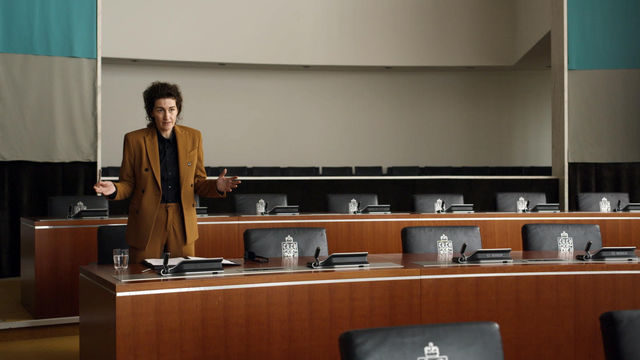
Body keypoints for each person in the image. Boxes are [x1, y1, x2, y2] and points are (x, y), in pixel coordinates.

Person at [94, 81, 240, 263]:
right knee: (142, 276)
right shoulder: (134, 140)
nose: (167, 116)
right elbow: (128, 184)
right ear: (151, 112)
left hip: (182, 218)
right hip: (148, 218)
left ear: (178, 110)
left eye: (171, 109)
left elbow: (198, 182)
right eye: (160, 110)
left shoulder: (194, 137)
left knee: (184, 275)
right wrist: (114, 189)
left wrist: (216, 186)